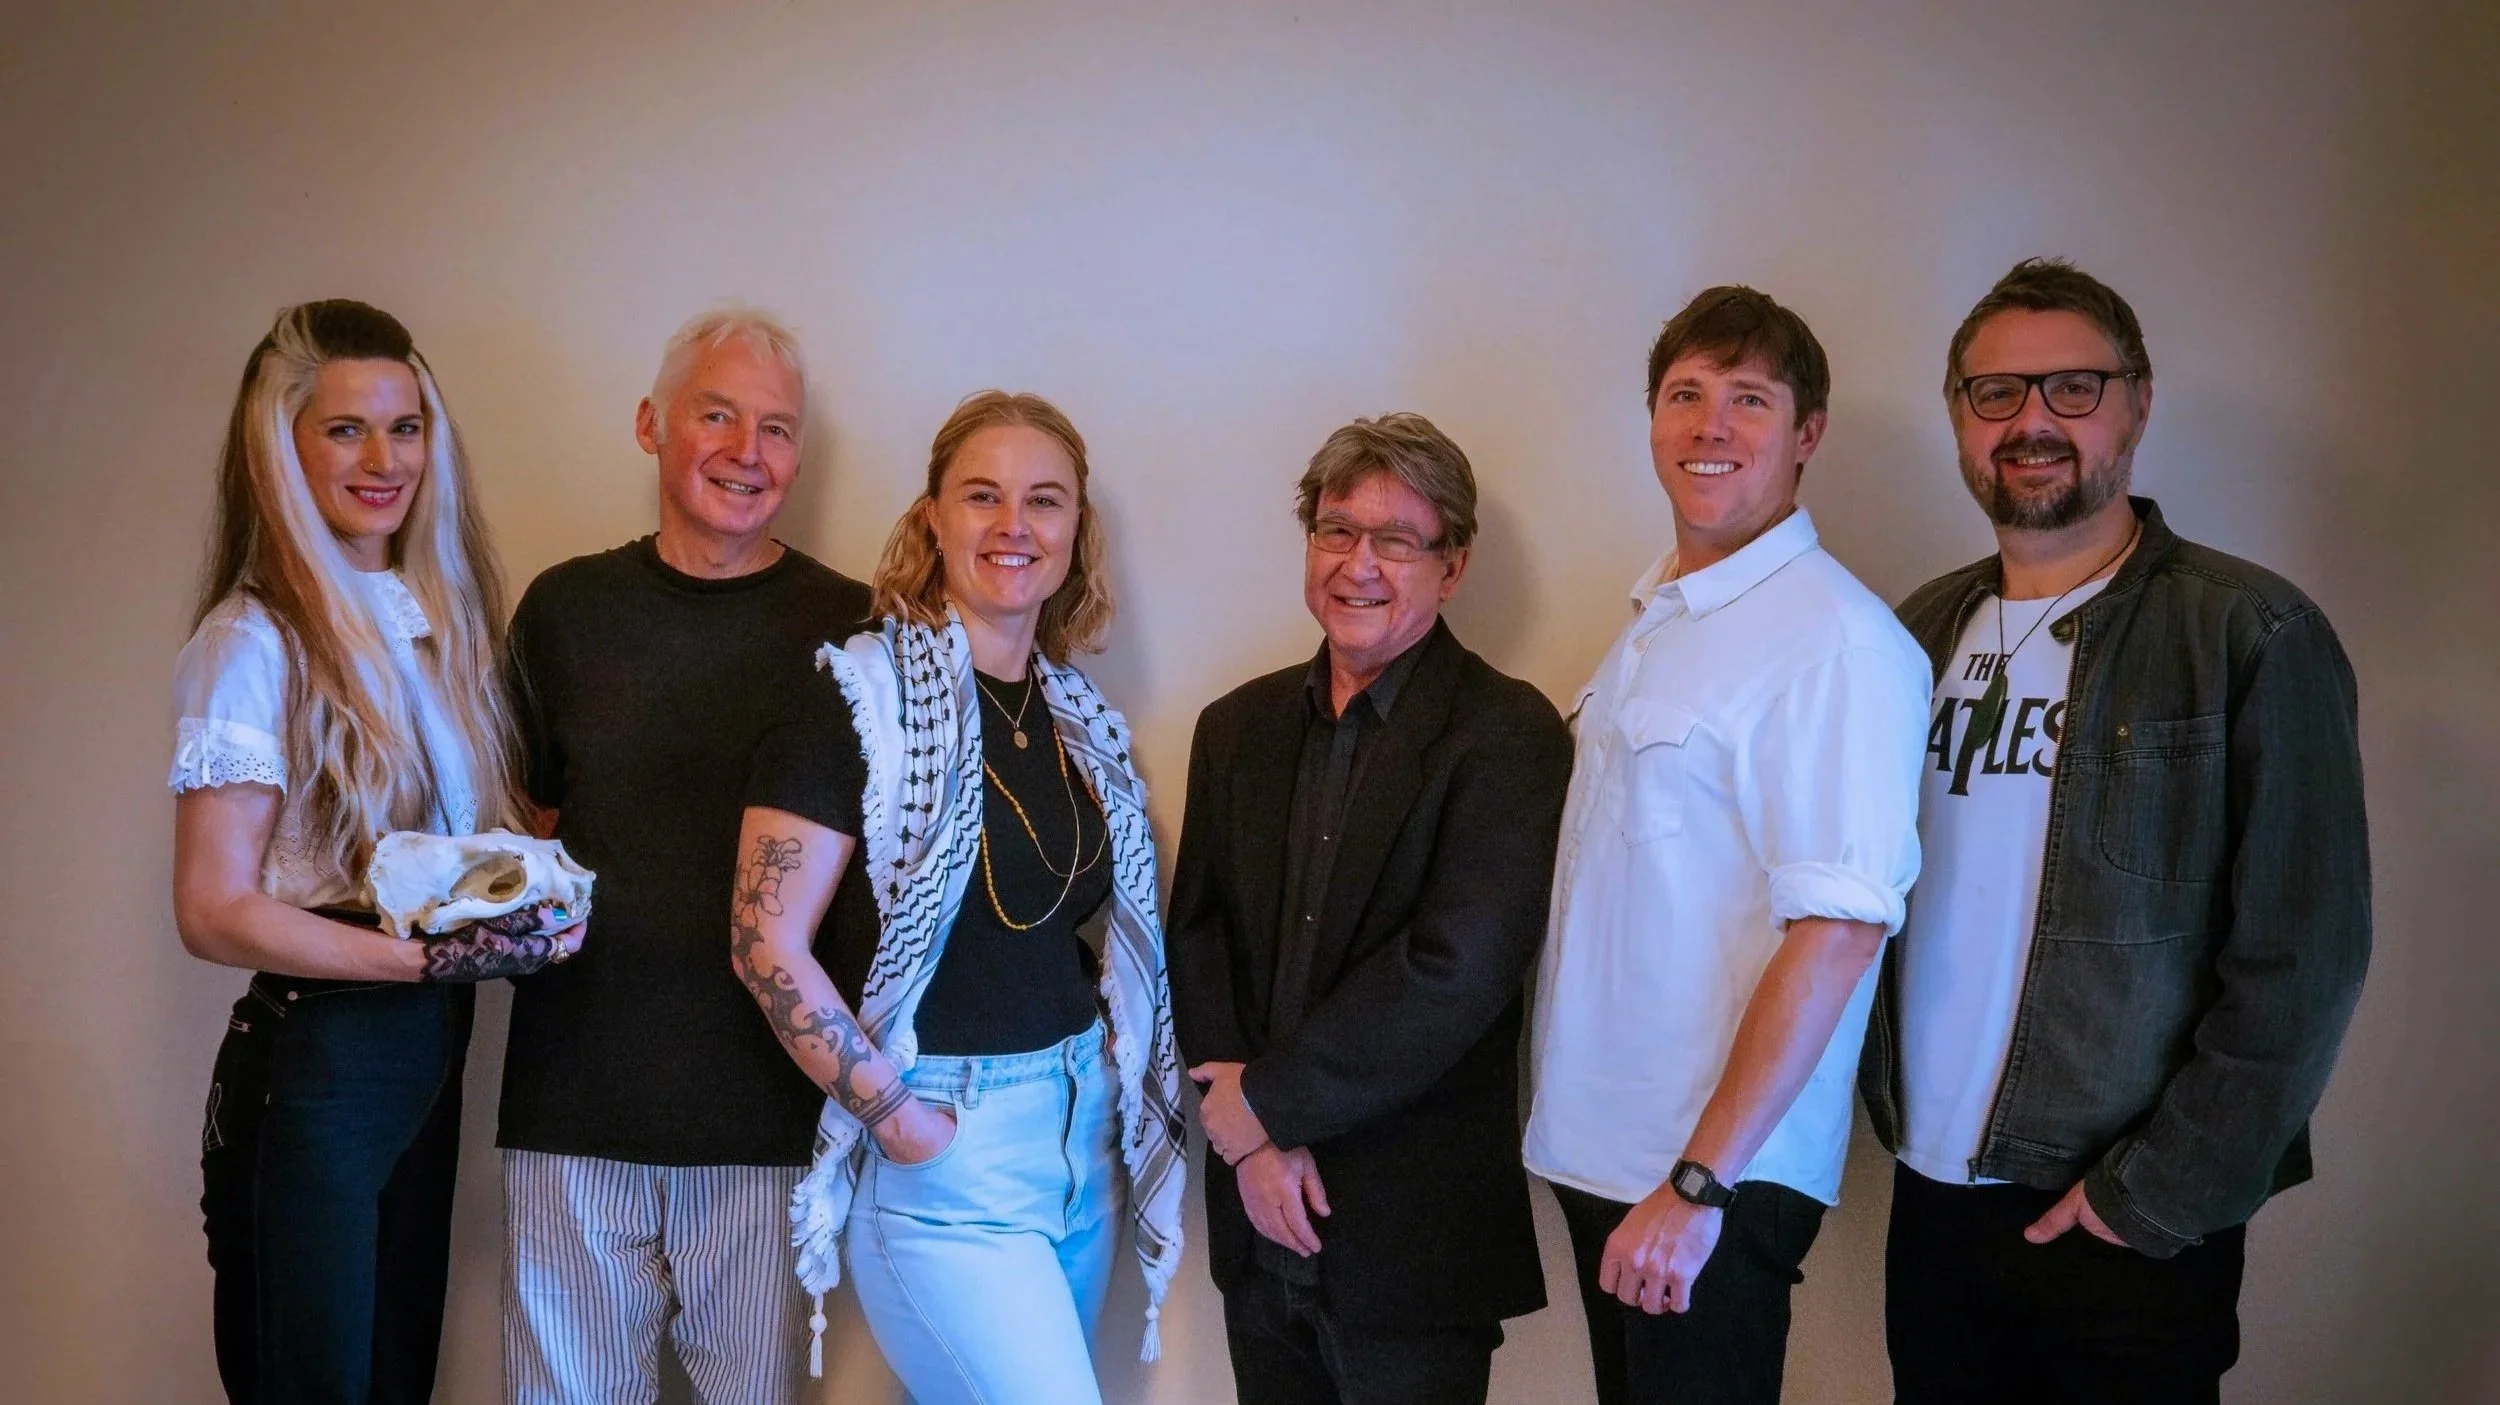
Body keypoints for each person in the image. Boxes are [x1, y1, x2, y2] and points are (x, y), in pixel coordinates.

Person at [1865, 257, 2372, 1404]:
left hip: (2117, 1220)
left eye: (2073, 388)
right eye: (1995, 391)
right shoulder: (1912, 633)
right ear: (1958, 414)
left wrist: (2155, 1196)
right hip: (1929, 1195)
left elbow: (2304, 957)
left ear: (2137, 402)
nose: (2032, 419)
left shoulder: (2251, 632)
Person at [733, 390, 1185, 1405]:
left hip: (1077, 1142)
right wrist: (893, 1116)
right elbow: (763, 941)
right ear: (930, 516)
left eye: (1044, 500)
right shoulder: (857, 694)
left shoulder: (1077, 718)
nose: (1013, 526)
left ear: (1077, 531)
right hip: (947, 1157)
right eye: (981, 495)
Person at [1524, 286, 1930, 1404]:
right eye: (1684, 394)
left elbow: (1841, 931)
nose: (1709, 425)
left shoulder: (1837, 641)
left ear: (1807, 435)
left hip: (1704, 1173)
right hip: (1603, 1146)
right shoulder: (1663, 616)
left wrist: (1698, 1184)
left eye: (1747, 398)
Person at [173, 299, 581, 1404]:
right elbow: (212, 908)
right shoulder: (250, 640)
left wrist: (529, 903)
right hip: (319, 1067)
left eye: (405, 428)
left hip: (423, 1056)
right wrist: (423, 966)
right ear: (283, 445)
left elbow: (442, 862)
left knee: (397, 1383)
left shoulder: (425, 621)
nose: (383, 458)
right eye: (346, 428)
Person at [495, 310, 871, 1402]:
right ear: (652, 423)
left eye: (776, 429)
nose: (746, 452)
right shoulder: (563, 610)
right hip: (573, 1106)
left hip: (768, 1116)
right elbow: (529, 829)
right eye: (717, 414)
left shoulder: (852, 627)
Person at [1169, 414, 1572, 1404]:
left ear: (1453, 563)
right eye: (1336, 530)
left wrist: (1263, 1109)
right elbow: (1200, 930)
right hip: (1258, 1229)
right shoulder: (1235, 727)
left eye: (1396, 540)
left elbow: (1455, 970)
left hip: (1411, 1240)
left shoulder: (1508, 733)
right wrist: (1251, 1140)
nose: (1359, 564)